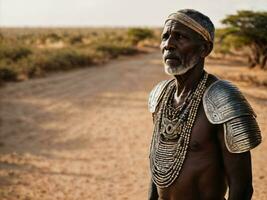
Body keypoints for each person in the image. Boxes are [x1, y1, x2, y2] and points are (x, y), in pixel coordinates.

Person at [148, 9, 262, 200]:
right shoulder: (160, 95)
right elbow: (159, 161)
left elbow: (241, 188)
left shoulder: (223, 98)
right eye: (165, 36)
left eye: (180, 37)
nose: (168, 45)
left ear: (204, 49)